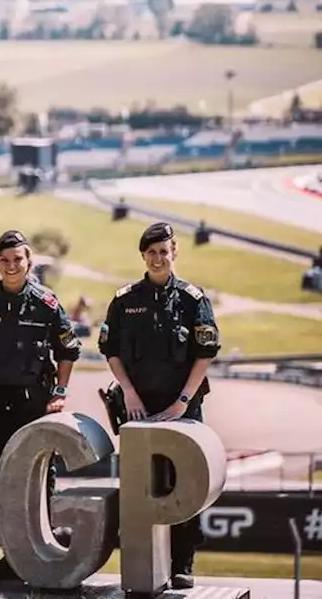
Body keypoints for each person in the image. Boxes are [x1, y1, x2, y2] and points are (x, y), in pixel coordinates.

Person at [98, 222, 221, 591]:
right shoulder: (125, 300)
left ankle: (183, 562)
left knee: (184, 484)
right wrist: (130, 395)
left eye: (163, 251)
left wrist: (183, 401)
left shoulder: (192, 300)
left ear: (174, 253)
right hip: (139, 409)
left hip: (182, 410)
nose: (157, 258)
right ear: (143, 256)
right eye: (151, 252)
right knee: (144, 485)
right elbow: (112, 351)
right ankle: (149, 564)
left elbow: (205, 353)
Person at [0, 230, 80, 574]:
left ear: (29, 262)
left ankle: (28, 552)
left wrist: (60, 392)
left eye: (18, 260)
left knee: (36, 479)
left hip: (31, 405)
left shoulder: (46, 303)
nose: (11, 266)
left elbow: (68, 351)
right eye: (4, 260)